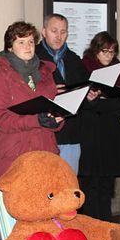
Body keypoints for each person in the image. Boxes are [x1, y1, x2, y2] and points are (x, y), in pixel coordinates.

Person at [0, 21, 63, 181]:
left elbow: (55, 107)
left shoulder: (45, 71)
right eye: (21, 42)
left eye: (30, 42)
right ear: (10, 47)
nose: (28, 46)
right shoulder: (2, 74)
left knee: (45, 203)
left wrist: (57, 120)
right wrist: (36, 120)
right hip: (16, 151)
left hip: (45, 149)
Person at [78, 32, 120, 221]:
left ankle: (106, 227)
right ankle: (91, 228)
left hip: (111, 136)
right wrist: (107, 103)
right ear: (96, 50)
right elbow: (85, 104)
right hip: (90, 134)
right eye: (104, 51)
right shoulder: (84, 67)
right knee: (90, 186)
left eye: (112, 51)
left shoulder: (119, 72)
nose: (109, 55)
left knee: (107, 188)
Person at [35, 13, 89, 173]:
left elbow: (84, 93)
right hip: (44, 132)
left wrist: (90, 97)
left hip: (71, 133)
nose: (59, 36)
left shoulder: (75, 60)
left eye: (63, 32)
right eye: (54, 31)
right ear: (44, 32)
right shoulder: (33, 58)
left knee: (68, 187)